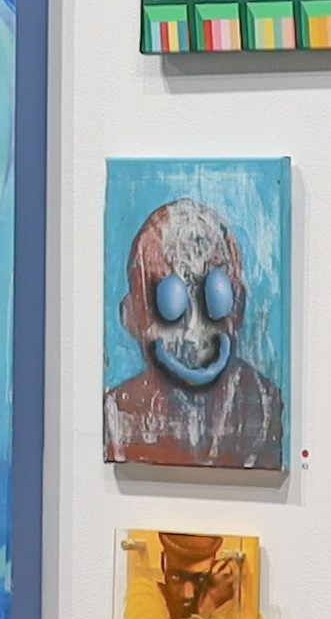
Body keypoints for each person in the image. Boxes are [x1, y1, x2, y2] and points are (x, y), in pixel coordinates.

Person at [103, 188, 285, 473]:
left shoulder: (267, 408)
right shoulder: (117, 415)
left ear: (237, 305)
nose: (193, 333)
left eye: (214, 299)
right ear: (131, 316)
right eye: (169, 304)